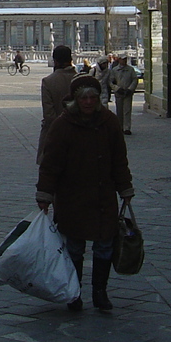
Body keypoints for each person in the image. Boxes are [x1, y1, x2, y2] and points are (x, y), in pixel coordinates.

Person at [36, 74, 134, 312]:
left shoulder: (109, 121)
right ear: (75, 100)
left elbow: (120, 159)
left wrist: (125, 187)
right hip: (73, 197)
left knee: (104, 246)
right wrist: (45, 194)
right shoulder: (63, 125)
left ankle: (100, 292)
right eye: (84, 98)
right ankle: (74, 291)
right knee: (74, 247)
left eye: (93, 97)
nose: (89, 102)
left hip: (103, 196)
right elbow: (51, 163)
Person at [38, 44, 77, 164]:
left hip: (55, 134)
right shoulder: (80, 79)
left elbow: (49, 114)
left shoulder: (48, 81)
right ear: (71, 60)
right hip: (78, 133)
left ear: (55, 61)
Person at [106, 56, 140, 135]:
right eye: (122, 59)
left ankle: (127, 128)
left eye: (125, 59)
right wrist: (117, 88)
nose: (124, 61)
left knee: (127, 111)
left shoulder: (130, 69)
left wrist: (130, 89)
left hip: (128, 92)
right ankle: (120, 127)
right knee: (119, 111)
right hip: (119, 93)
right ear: (119, 60)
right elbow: (111, 81)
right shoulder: (115, 70)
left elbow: (135, 79)